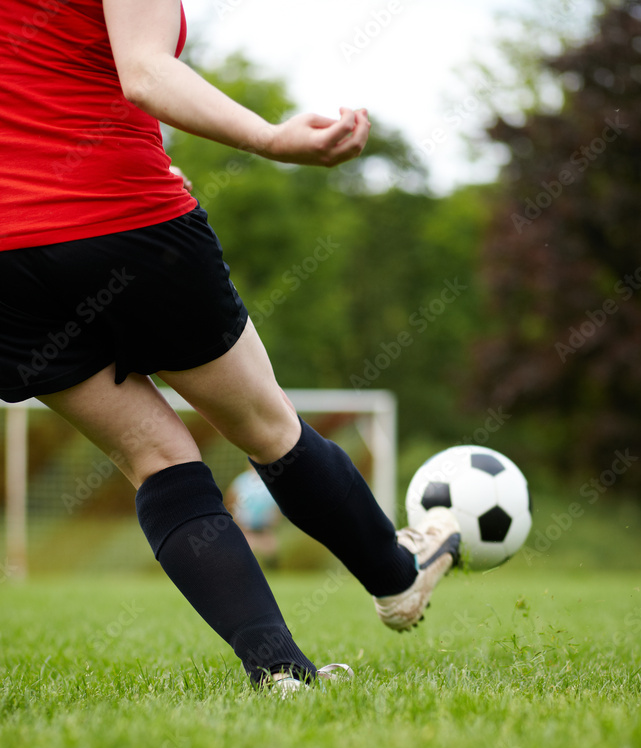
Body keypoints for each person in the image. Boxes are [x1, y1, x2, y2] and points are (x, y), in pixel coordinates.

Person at [0, 0, 460, 694]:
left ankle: (281, 676)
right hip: (125, 219)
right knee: (266, 427)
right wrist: (273, 139)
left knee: (154, 460)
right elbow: (146, 73)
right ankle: (398, 578)